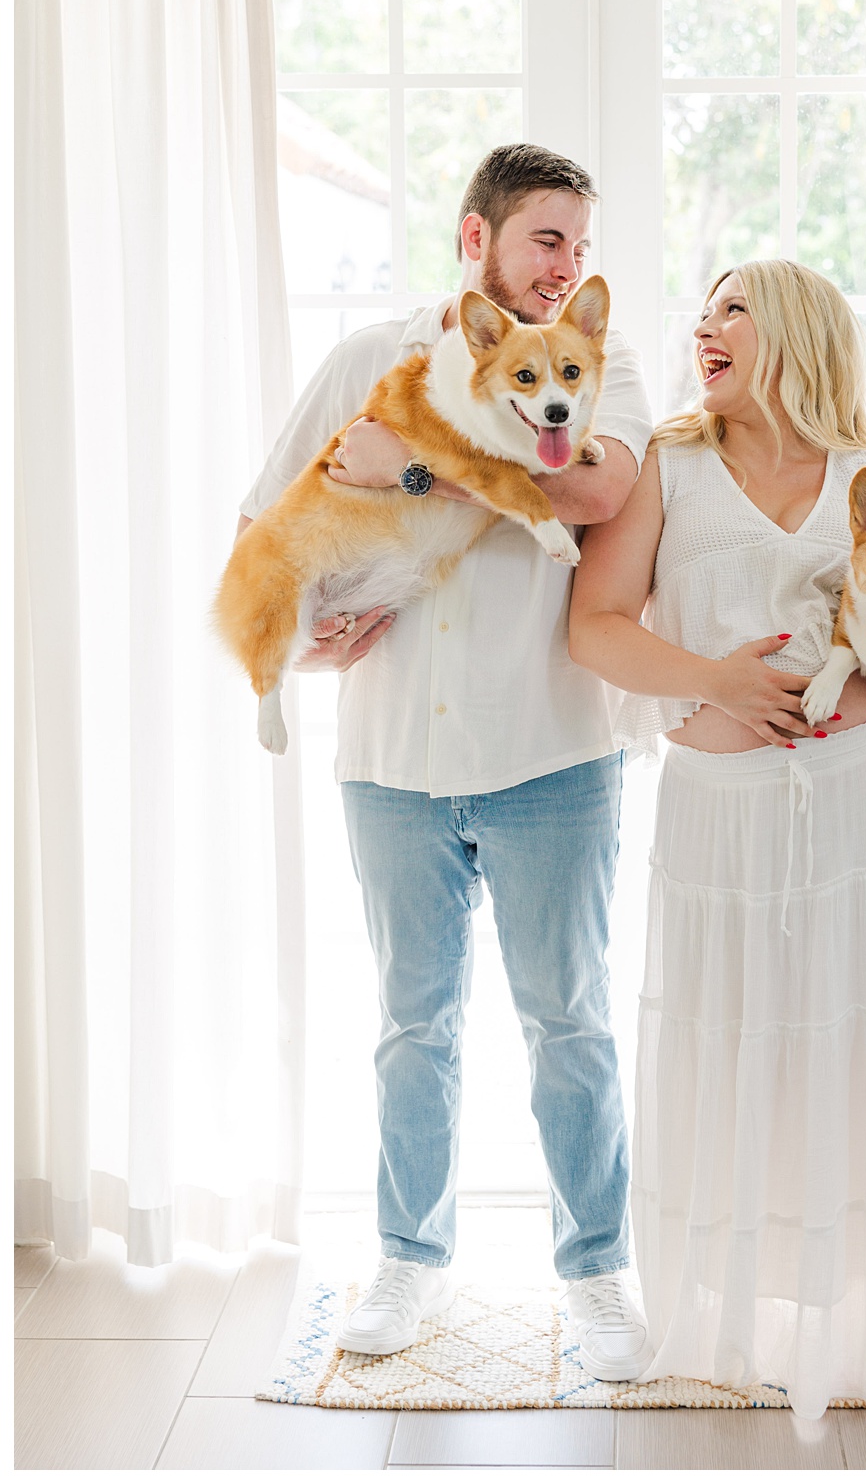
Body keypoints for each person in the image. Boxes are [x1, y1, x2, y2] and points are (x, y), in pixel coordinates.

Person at [568, 259, 866, 1418]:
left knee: (864, 1058)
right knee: (739, 1055)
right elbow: (599, 631)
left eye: (733, 308)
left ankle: (860, 1327)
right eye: (704, 310)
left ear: (798, 334)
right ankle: (731, 1322)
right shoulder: (668, 467)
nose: (705, 326)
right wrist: (713, 678)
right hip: (725, 824)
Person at [235, 145, 655, 1379]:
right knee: (413, 1025)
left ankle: (598, 1276)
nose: (568, 266)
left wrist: (413, 468)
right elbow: (267, 518)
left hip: (551, 752)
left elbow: (596, 491)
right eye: (546, 242)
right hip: (391, 759)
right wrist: (309, 644)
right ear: (475, 244)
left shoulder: (600, 359)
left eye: (580, 245)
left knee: (568, 1021)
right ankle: (407, 1261)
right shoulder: (368, 360)